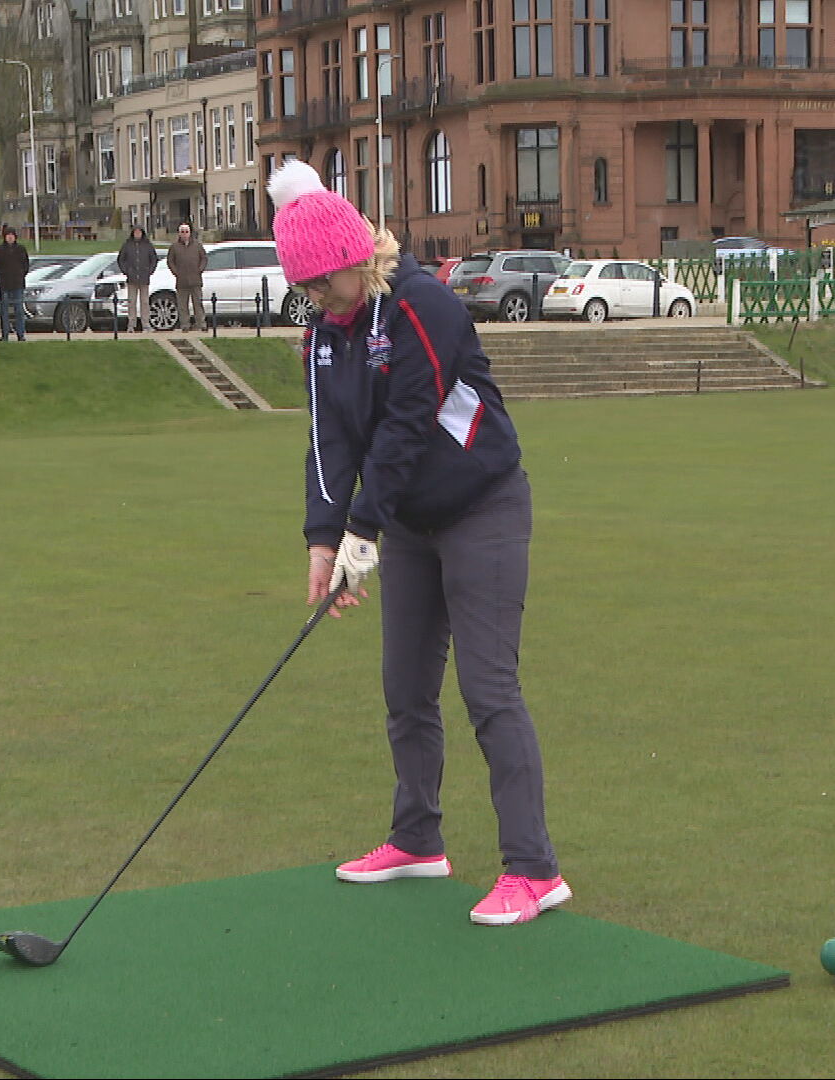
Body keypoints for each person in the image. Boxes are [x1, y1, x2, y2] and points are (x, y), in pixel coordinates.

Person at [267, 158, 569, 927]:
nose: (316, 300)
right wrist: (323, 543)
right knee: (405, 689)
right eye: (304, 290)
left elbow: (407, 423)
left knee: (488, 690)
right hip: (405, 524)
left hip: (481, 508)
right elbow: (328, 442)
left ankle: (534, 869)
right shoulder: (325, 335)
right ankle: (417, 838)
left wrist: (364, 530)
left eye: (322, 284)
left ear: (354, 258)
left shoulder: (422, 306)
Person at [165, 221, 207, 332]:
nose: (184, 234)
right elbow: (170, 261)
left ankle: (201, 324)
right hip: (181, 281)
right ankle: (185, 325)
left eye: (186, 231)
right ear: (179, 233)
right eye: (182, 232)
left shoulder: (197, 245)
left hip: (196, 280)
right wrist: (176, 272)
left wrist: (200, 269)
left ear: (190, 233)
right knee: (183, 305)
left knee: (198, 303)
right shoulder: (174, 247)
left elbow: (204, 258)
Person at [0, 226, 31, 341]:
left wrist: (20, 275)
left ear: (15, 237)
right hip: (4, 284)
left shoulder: (21, 249)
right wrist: (2, 275)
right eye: (8, 235)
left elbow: (26, 265)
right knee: (4, 311)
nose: (10, 237)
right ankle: (5, 334)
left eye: (12, 235)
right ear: (4, 236)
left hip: (18, 284)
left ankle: (20, 334)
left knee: (19, 310)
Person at [117, 225, 160, 332]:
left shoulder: (148, 245)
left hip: (144, 278)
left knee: (145, 302)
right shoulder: (127, 245)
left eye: (139, 232)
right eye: (135, 232)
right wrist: (126, 271)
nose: (137, 234)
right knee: (132, 302)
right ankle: (131, 324)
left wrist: (149, 271)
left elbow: (154, 259)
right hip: (131, 279)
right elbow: (121, 259)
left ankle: (145, 324)